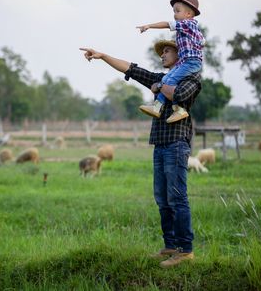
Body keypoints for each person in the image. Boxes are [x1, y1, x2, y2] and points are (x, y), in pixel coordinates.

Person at [79, 40, 201, 268]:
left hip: (176, 144)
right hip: (160, 144)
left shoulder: (191, 78)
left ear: (180, 53)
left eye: (167, 51)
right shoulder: (161, 77)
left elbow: (179, 96)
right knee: (162, 199)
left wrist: (158, 87)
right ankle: (171, 246)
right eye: (162, 51)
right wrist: (103, 55)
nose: (162, 55)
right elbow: (132, 69)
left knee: (177, 198)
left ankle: (185, 250)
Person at [136, 0, 204, 124]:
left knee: (168, 81)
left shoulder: (187, 24)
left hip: (190, 62)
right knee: (166, 79)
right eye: (174, 11)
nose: (174, 14)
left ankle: (177, 109)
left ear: (189, 14)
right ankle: (158, 108)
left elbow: (167, 24)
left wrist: (149, 26)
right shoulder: (192, 27)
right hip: (185, 62)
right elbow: (202, 40)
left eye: (177, 11)